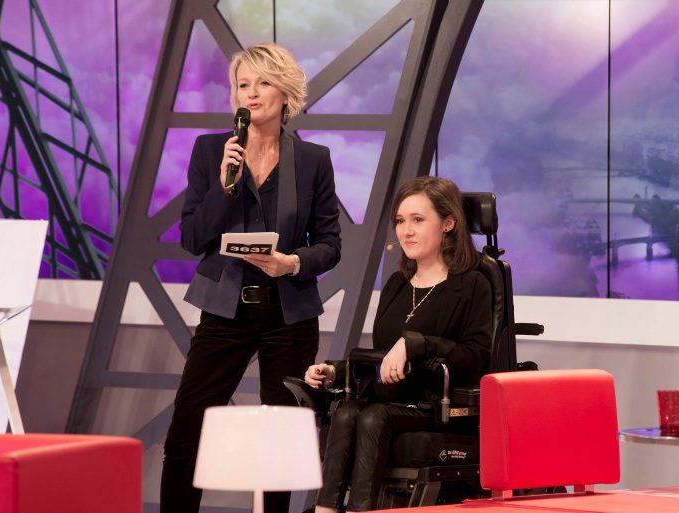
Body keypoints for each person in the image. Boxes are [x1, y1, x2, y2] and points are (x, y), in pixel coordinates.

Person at [161, 43, 341, 513]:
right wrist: (225, 184)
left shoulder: (313, 159)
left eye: (263, 83)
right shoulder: (210, 151)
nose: (252, 93)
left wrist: (292, 262)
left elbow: (330, 243)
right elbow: (193, 238)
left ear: (285, 93)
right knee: (189, 428)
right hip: (225, 308)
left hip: (288, 312)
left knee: (280, 437)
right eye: (243, 85)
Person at [304, 176, 493, 512]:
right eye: (401, 221)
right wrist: (334, 372)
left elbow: (475, 356)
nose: (406, 231)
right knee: (346, 412)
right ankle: (325, 509)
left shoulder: (472, 284)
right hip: (390, 398)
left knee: (374, 417)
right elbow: (383, 358)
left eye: (418, 220)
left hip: (437, 405)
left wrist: (418, 344)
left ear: (448, 223)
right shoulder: (397, 284)